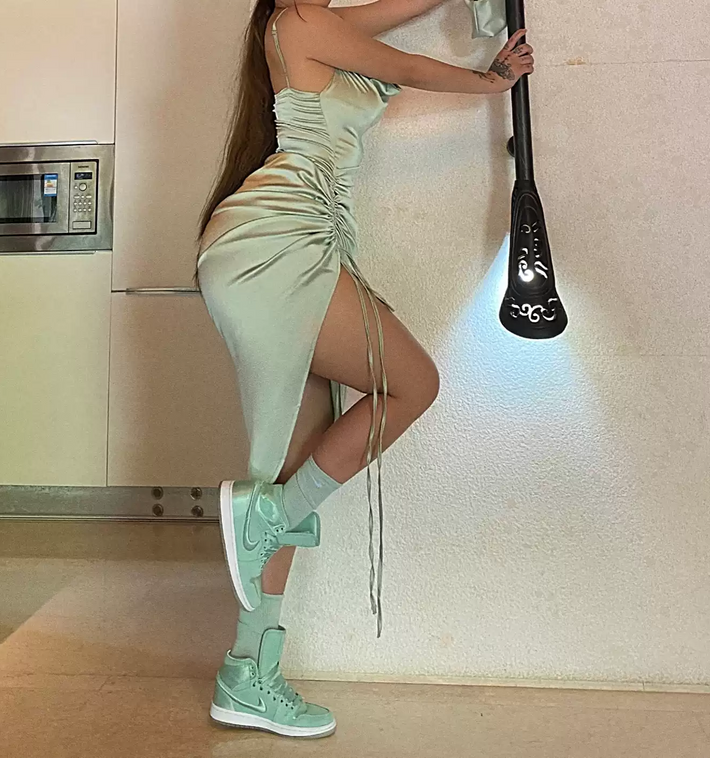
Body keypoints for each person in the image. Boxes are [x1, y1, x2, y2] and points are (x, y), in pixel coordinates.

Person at [196, 0, 534, 739]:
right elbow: (404, 66)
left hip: (291, 241)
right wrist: (491, 83)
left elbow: (400, 11)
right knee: (414, 384)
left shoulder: (318, 23)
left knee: (291, 470)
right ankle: (266, 521)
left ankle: (247, 674)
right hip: (280, 239)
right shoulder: (297, 18)